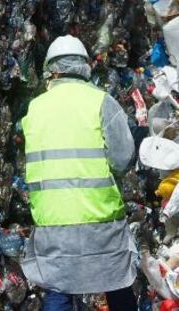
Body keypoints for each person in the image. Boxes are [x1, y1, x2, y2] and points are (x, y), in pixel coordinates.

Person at [20, 35, 138, 311]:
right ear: (85, 67)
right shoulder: (100, 102)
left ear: (51, 70)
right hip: (100, 220)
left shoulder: (35, 108)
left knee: (59, 289)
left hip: (52, 224)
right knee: (117, 285)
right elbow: (123, 159)